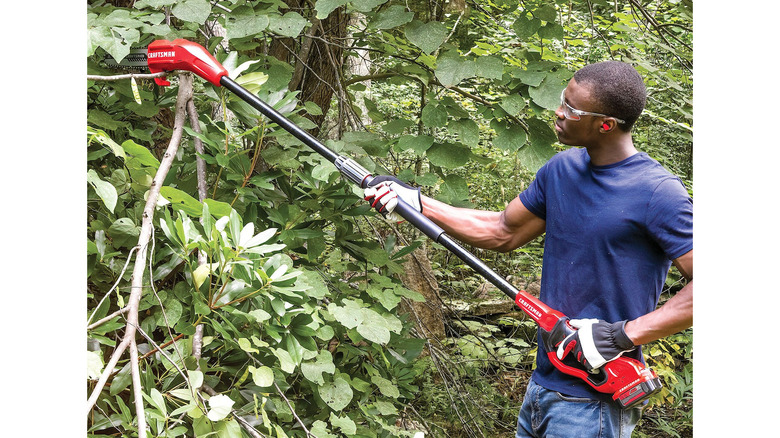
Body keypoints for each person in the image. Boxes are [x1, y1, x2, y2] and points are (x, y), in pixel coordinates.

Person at [363, 61, 693, 438]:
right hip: (542, 386)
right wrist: (418, 203)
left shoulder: (658, 192)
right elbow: (503, 230)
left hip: (595, 402)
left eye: (572, 109)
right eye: (562, 100)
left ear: (606, 124)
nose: (559, 112)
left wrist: (623, 335)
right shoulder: (561, 170)